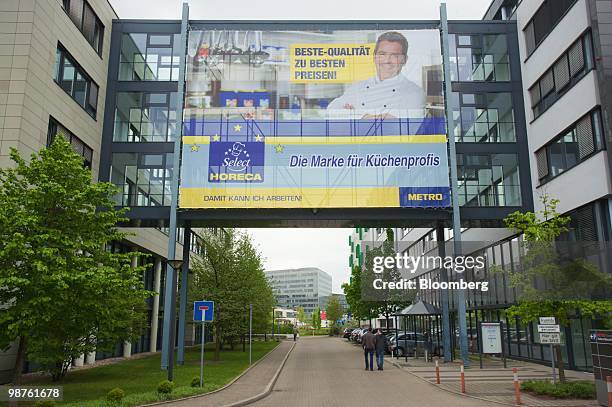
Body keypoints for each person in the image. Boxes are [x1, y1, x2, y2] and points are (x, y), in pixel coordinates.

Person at [327, 31, 426, 119]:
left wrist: (353, 116)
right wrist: (364, 117)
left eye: (395, 56)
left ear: (404, 60)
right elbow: (331, 111)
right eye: (382, 54)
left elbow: (401, 127)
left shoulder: (414, 92)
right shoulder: (357, 87)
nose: (387, 61)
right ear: (374, 57)